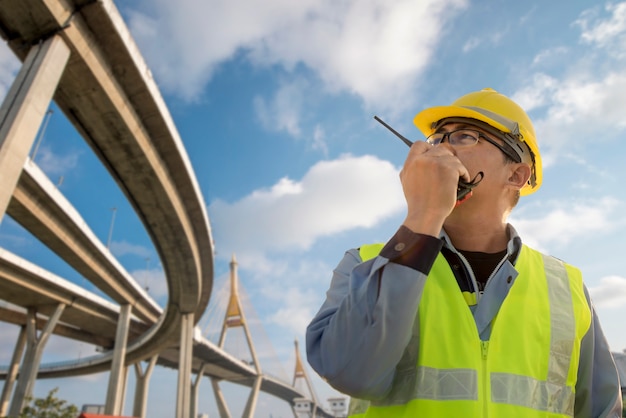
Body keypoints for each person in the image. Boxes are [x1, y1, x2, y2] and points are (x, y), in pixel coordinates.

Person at [305, 88, 622, 417]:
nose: (440, 148)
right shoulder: (365, 264)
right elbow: (349, 372)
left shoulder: (566, 287)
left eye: (464, 136)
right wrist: (422, 218)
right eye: (436, 139)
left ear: (516, 174)